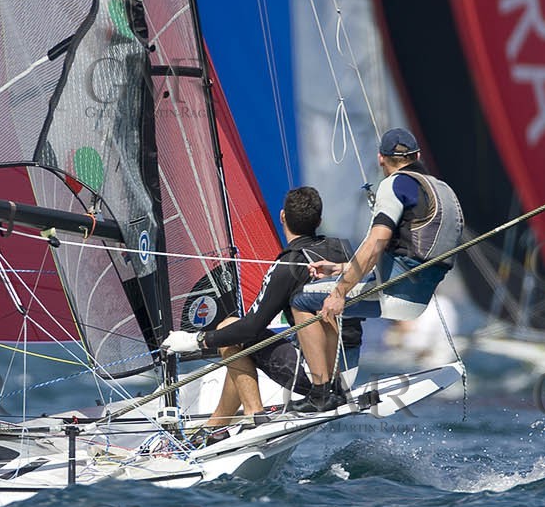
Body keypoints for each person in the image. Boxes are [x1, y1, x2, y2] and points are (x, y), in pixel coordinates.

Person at [292, 127, 464, 411]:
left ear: (381, 159)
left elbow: (376, 242)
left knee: (302, 300)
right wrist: (340, 267)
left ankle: (321, 393)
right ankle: (338, 386)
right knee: (344, 309)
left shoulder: (395, 185)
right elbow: (404, 249)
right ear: (417, 156)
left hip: (396, 293)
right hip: (419, 297)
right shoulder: (443, 189)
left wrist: (339, 291)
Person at [161, 187, 357, 432]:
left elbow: (251, 328)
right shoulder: (344, 250)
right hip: (349, 369)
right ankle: (215, 428)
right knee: (239, 341)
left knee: (230, 330)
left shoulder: (288, 264)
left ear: (282, 216)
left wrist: (198, 340)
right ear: (319, 221)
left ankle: (255, 416)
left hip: (317, 380)